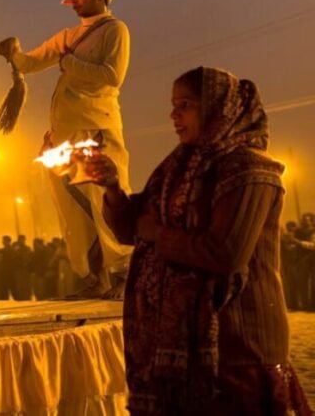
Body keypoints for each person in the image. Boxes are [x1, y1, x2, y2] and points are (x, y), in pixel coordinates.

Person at [86, 67, 311, 414]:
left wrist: (159, 235)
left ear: (217, 108)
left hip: (240, 342)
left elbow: (226, 254)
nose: (174, 116)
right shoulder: (176, 168)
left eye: (186, 105)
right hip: (184, 346)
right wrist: (113, 187)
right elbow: (131, 229)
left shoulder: (251, 170)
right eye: (173, 105)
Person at [0, 0, 132, 298]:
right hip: (63, 133)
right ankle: (93, 277)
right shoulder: (68, 35)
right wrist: (13, 54)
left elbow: (111, 76)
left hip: (95, 128)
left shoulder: (115, 30)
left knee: (104, 201)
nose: (74, 3)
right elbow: (30, 63)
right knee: (71, 208)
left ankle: (125, 275)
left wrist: (68, 63)